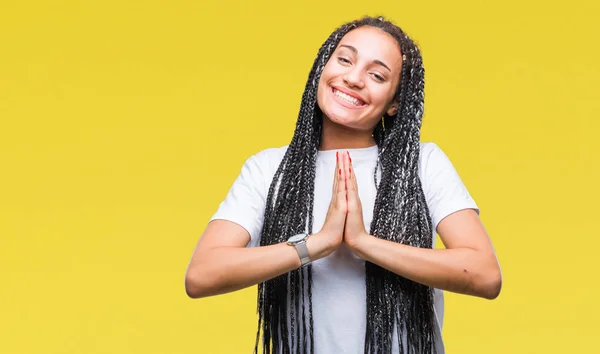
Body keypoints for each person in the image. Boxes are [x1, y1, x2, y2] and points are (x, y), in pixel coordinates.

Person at [185, 15, 502, 354]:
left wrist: (364, 244)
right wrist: (316, 244)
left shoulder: (422, 164)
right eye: (345, 59)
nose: (353, 78)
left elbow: (484, 275)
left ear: (394, 103)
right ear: (323, 67)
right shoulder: (268, 169)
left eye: (377, 75)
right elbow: (202, 275)